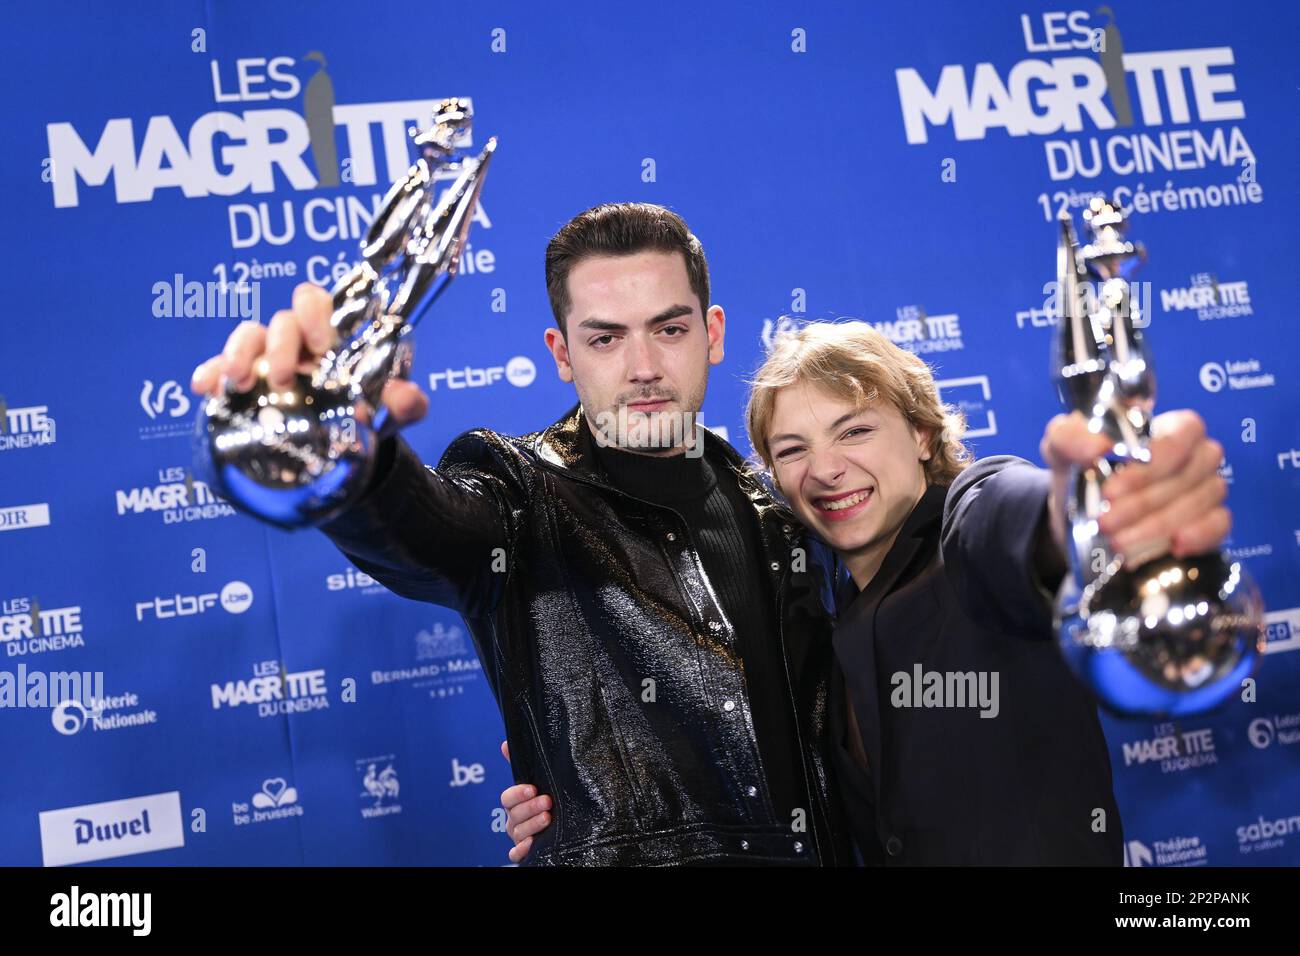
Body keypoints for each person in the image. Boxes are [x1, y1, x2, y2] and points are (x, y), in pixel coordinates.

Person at [191, 202, 853, 867]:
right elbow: (424, 530)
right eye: (605, 338)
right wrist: (350, 457)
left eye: (668, 329)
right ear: (561, 353)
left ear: (712, 332)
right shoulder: (517, 490)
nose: (643, 365)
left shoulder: (783, 510)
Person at [503, 320, 1231, 865]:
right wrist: (582, 787)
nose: (826, 469)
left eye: (854, 431)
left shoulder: (968, 528)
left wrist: (1090, 516)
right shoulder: (814, 624)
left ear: (920, 433)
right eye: (792, 450)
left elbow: (1020, 519)